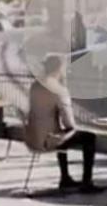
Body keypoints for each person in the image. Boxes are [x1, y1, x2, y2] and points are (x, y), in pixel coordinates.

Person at [26, 54, 96, 190]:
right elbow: (69, 124)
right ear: (59, 69)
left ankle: (65, 177)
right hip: (49, 140)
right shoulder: (59, 90)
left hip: (32, 137)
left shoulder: (35, 85)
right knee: (88, 138)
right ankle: (87, 182)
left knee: (60, 133)